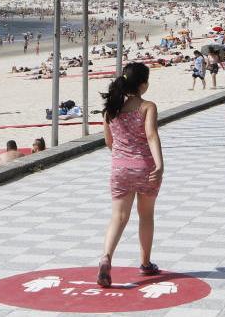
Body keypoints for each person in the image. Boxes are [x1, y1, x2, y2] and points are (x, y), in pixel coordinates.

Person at [97, 62, 164, 288]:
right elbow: (152, 135)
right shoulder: (147, 107)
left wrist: (122, 156)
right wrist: (159, 164)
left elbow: (109, 142)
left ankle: (106, 256)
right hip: (145, 167)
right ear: (143, 85)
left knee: (118, 216)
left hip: (119, 168)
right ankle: (145, 263)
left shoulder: (111, 109)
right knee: (146, 216)